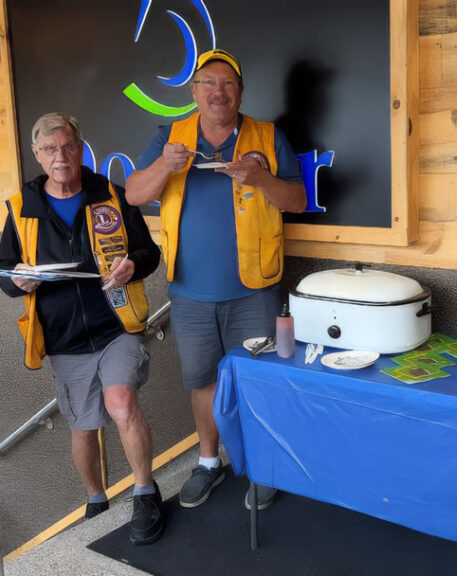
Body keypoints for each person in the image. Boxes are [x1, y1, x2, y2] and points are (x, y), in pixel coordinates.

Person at [125, 49, 306, 511]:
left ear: (240, 92)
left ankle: (262, 466)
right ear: (194, 91)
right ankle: (209, 462)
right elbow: (133, 194)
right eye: (208, 82)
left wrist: (261, 179)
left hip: (255, 288)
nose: (218, 91)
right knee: (202, 381)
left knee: (258, 378)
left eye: (227, 83)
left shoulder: (266, 136)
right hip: (189, 291)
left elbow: (298, 201)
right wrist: (165, 164)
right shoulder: (170, 137)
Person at [0, 113, 164, 545]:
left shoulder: (110, 193)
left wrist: (133, 265)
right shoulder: (20, 209)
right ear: (37, 154)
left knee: (122, 403)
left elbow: (149, 251)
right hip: (64, 339)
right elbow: (3, 274)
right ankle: (95, 498)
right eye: (50, 149)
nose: (60, 156)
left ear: (80, 147)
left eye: (68, 146)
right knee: (84, 426)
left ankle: (145, 492)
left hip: (116, 325)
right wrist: (17, 279)